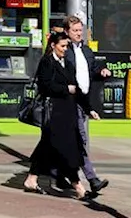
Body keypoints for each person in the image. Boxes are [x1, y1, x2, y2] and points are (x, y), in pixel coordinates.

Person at [25, 30, 88, 199]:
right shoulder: (47, 62)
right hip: (53, 111)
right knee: (66, 149)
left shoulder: (67, 63)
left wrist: (89, 108)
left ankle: (31, 179)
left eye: (67, 46)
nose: (65, 49)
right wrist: (65, 89)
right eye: (62, 46)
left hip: (67, 112)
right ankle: (79, 187)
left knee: (47, 147)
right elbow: (45, 86)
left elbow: (76, 86)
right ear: (53, 46)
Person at [66, 13, 111, 195]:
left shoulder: (86, 51)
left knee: (67, 143)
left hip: (82, 101)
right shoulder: (63, 50)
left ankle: (45, 174)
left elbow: (92, 70)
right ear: (67, 32)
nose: (79, 34)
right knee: (78, 141)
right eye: (75, 30)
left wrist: (102, 71)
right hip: (66, 102)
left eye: (80, 30)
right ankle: (91, 179)